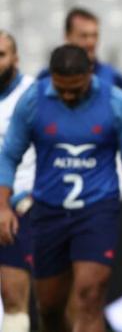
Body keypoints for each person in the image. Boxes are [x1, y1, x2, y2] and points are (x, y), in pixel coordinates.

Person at [0, 44, 122, 332]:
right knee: (49, 308)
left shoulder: (116, 102)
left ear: (90, 74)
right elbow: (9, 154)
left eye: (76, 89)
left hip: (97, 211)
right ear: (52, 80)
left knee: (90, 296)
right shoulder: (33, 100)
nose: (69, 96)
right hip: (48, 211)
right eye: (62, 90)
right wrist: (3, 205)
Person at [38, 7, 122, 227]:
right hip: (51, 193)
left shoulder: (114, 80)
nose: (91, 42)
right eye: (84, 35)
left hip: (97, 194)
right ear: (67, 37)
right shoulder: (44, 80)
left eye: (95, 35)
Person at [0, 32, 35, 332]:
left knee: (13, 298)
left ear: (15, 58)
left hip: (16, 207)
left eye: (1, 55)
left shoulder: (32, 95)